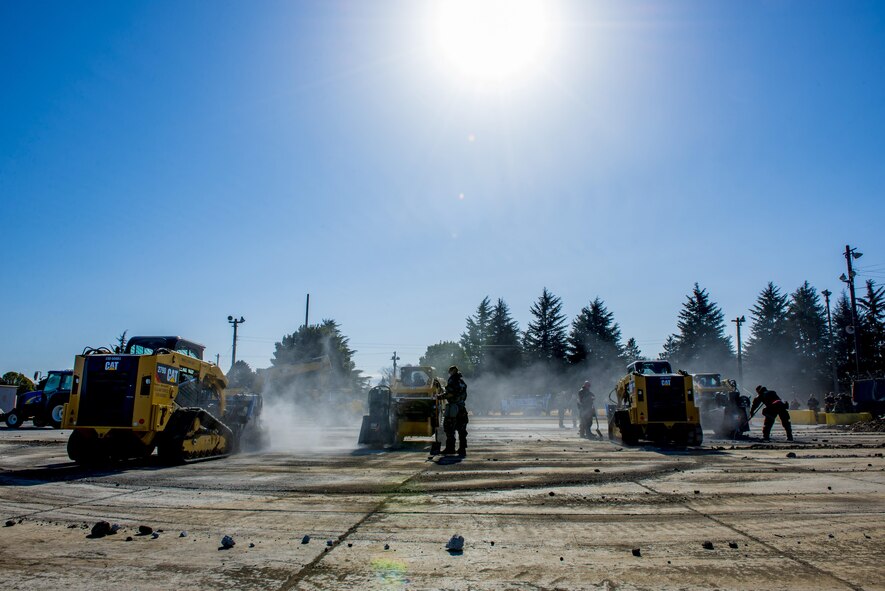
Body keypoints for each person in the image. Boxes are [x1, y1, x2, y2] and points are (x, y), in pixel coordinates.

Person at [441, 365, 468, 457]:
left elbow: (450, 393)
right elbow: (464, 395)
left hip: (453, 408)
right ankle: (462, 449)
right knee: (462, 429)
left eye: (450, 371)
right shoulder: (462, 382)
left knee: (449, 428)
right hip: (461, 407)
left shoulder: (452, 380)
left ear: (452, 371)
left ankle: (450, 448)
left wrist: (441, 396)